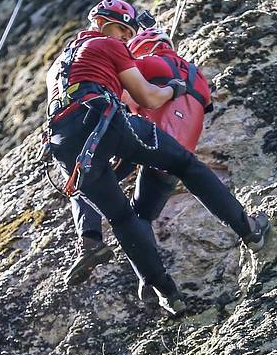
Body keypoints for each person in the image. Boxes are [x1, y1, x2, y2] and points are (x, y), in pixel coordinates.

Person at [45, 0, 269, 315]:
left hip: (64, 142)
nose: (125, 37)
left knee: (122, 216)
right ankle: (249, 229)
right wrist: (173, 91)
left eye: (129, 32)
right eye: (122, 29)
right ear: (99, 23)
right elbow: (147, 98)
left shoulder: (58, 66)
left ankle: (167, 295)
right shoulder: (108, 45)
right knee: (185, 164)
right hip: (102, 120)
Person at [66, 23, 214, 286]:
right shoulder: (197, 76)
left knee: (89, 185)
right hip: (177, 154)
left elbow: (129, 97)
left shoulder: (146, 64)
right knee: (142, 212)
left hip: (150, 144)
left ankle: (145, 277)